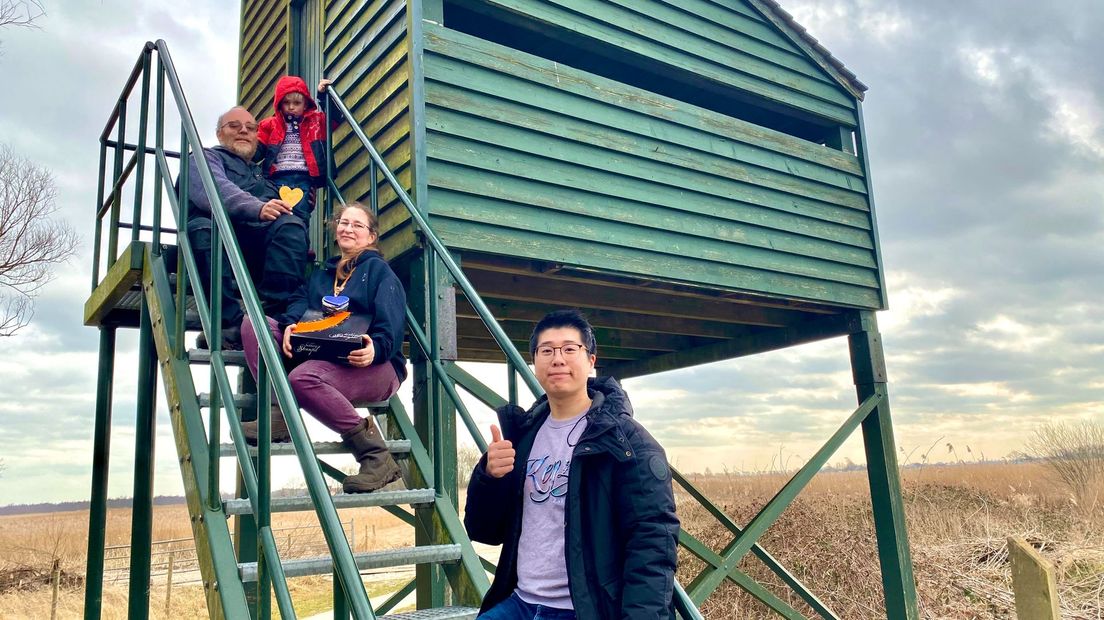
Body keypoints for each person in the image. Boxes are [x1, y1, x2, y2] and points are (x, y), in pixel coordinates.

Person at [464, 309, 680, 619]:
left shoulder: (627, 442)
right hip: (520, 603)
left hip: (584, 609)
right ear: (535, 362)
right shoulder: (523, 436)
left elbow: (653, 542)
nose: (558, 359)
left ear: (591, 360)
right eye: (547, 350)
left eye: (569, 349)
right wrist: (489, 477)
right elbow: (484, 530)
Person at [240, 202, 406, 494]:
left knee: (303, 378)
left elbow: (391, 324)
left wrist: (375, 350)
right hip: (321, 353)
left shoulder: (381, 273)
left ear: (371, 237)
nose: (348, 228)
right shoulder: (321, 275)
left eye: (357, 225)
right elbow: (299, 303)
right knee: (254, 322)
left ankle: (376, 456)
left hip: (374, 365)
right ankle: (279, 415)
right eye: (343, 222)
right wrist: (291, 324)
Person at [187, 106, 309, 349]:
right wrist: (257, 208)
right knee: (203, 229)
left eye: (251, 128)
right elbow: (214, 188)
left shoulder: (263, 174)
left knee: (292, 225)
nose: (244, 131)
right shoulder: (204, 157)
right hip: (218, 236)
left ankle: (272, 318)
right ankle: (227, 325)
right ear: (220, 133)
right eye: (234, 126)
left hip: (254, 245)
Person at [256, 75, 339, 224]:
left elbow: (334, 120)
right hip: (278, 178)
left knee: (301, 213)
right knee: (277, 214)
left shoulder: (316, 122)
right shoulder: (270, 125)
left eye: (297, 103)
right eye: (286, 103)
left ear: (306, 104)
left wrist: (323, 96)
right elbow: (256, 150)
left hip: (305, 177)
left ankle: (301, 245)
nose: (291, 107)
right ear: (279, 104)